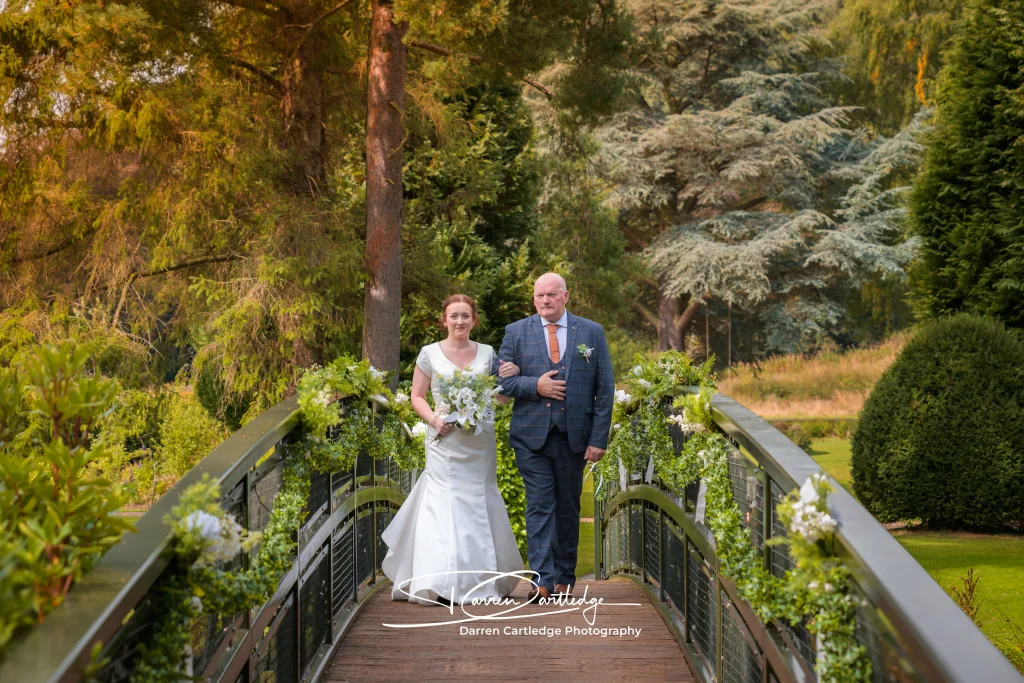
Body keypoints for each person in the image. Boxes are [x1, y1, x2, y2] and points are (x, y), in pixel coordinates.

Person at [380, 294, 524, 606]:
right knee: (443, 506)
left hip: (478, 443)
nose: (460, 321)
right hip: (444, 441)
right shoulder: (429, 353)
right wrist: (434, 419)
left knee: (477, 501)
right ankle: (438, 581)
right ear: (443, 320)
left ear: (474, 320)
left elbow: (500, 398)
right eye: (454, 316)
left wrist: (510, 379)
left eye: (465, 316)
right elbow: (416, 395)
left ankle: (482, 580)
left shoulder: (487, 354)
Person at [495, 273, 615, 602]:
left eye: (551, 295)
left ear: (566, 296)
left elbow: (605, 389)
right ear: (533, 299)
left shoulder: (591, 332)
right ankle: (541, 580)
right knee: (539, 506)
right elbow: (501, 383)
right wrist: (536, 385)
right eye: (539, 296)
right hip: (530, 436)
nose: (544, 301)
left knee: (567, 507)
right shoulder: (515, 332)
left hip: (574, 436)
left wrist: (599, 438)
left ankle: (564, 576)